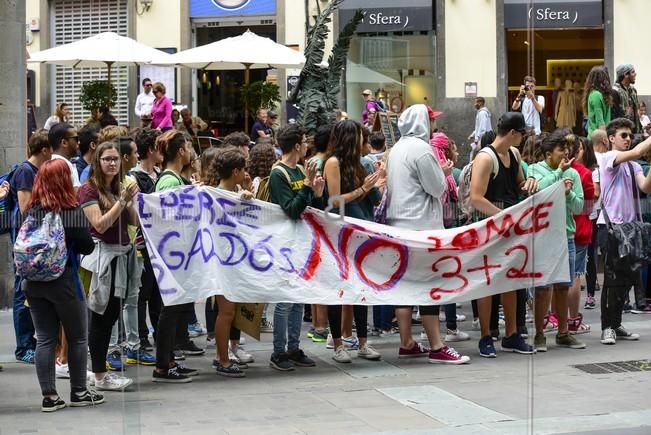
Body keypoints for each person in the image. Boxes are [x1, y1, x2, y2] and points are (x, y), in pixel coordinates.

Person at [386, 104, 470, 364]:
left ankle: (407, 342)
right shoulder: (422, 150)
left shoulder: (397, 149)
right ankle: (436, 345)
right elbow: (435, 188)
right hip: (422, 228)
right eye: (430, 120)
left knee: (406, 286)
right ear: (422, 123)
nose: (433, 125)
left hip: (399, 225)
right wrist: (444, 174)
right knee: (429, 286)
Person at [20, 159, 103, 411]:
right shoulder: (70, 211)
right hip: (64, 280)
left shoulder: (31, 212)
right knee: (78, 337)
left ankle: (50, 397)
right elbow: (88, 246)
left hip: (32, 282)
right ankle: (78, 391)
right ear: (65, 181)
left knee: (44, 338)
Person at [469, 112, 537, 358]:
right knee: (487, 282)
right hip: (490, 224)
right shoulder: (485, 158)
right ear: (512, 133)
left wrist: (528, 181)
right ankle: (486, 336)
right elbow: (476, 198)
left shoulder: (514, 154)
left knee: (510, 279)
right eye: (523, 134)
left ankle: (511, 334)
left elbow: (518, 184)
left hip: (509, 224)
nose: (524, 138)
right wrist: (503, 216)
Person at [79, 141, 141, 391]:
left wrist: (131, 202)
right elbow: (100, 225)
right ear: (97, 161)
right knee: (101, 317)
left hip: (122, 254)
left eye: (116, 159)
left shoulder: (118, 187)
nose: (113, 163)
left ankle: (100, 373)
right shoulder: (88, 190)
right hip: (103, 258)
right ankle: (100, 375)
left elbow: (134, 221)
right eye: (107, 159)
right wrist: (122, 201)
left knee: (113, 314)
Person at [323, 120, 383, 363]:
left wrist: (375, 182)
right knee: (340, 290)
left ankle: (362, 342)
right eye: (360, 136)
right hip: (341, 232)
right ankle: (338, 342)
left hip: (363, 230)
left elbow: (375, 199)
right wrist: (362, 189)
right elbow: (334, 201)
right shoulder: (333, 163)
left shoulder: (360, 163)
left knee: (362, 289)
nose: (364, 141)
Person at [268, 124, 324, 371]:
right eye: (303, 142)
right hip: (284, 243)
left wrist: (317, 192)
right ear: (297, 146)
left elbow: (311, 205)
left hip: (302, 240)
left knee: (298, 297)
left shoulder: (300, 169)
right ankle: (278, 351)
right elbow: (290, 208)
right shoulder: (278, 174)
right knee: (284, 301)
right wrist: (307, 187)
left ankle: (294, 346)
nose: (306, 146)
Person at [528, 130, 587, 351]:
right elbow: (538, 194)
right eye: (561, 149)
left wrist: (569, 194)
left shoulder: (574, 173)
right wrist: (558, 176)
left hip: (567, 236)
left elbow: (579, 207)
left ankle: (563, 333)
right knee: (542, 288)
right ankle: (540, 334)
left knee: (563, 286)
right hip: (542, 237)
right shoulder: (534, 169)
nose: (566, 153)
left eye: (567, 149)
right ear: (547, 152)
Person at [597, 118, 651, 344]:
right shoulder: (610, 158)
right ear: (611, 138)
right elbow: (638, 151)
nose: (628, 139)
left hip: (629, 228)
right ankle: (607, 327)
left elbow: (645, 187)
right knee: (611, 279)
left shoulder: (634, 165)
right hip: (611, 226)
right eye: (623, 135)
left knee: (628, 278)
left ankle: (616, 323)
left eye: (630, 135)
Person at [151, 130, 199, 382]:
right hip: (173, 257)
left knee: (173, 311)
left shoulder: (175, 179)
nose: (191, 152)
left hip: (178, 255)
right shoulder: (169, 182)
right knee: (169, 312)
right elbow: (169, 220)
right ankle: (162, 366)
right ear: (180, 151)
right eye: (188, 147)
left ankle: (168, 361)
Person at [204, 148, 256, 377]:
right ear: (235, 171)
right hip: (221, 262)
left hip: (235, 260)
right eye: (243, 169)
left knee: (230, 311)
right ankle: (222, 359)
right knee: (225, 312)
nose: (246, 173)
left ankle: (224, 355)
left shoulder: (235, 191)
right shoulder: (215, 195)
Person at [8, 130, 53, 364]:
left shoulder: (37, 171)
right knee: (20, 291)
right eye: (51, 149)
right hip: (25, 243)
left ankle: (30, 341)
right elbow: (26, 207)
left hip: (34, 240)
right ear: (44, 149)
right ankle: (23, 346)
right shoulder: (26, 171)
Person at [130, 128, 163, 350]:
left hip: (160, 244)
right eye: (160, 147)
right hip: (143, 244)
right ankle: (141, 338)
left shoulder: (159, 174)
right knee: (143, 293)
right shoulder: (135, 177)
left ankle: (159, 337)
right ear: (151, 149)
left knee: (157, 294)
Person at [569, 135, 597, 333]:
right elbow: (588, 205)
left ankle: (555, 317)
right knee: (575, 275)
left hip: (558, 229)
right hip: (578, 229)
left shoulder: (554, 171)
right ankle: (572, 319)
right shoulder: (584, 173)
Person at [585, 129, 609, 309]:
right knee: (595, 253)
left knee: (589, 253)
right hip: (598, 212)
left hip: (594, 213)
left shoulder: (594, 163)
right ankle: (592, 291)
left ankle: (591, 291)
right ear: (604, 140)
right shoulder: (603, 160)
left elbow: (596, 191)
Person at [49, 123, 82, 192]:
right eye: (76, 139)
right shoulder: (64, 165)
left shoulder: (48, 163)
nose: (78, 142)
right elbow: (76, 195)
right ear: (64, 142)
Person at [583, 65, 612, 137]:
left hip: (599, 136)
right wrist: (605, 140)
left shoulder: (599, 94)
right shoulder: (596, 95)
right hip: (597, 139)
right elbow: (600, 122)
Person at [612, 64, 641, 134]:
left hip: (635, 131)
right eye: (633, 72)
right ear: (626, 74)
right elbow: (614, 116)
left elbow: (636, 111)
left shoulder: (633, 90)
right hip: (623, 132)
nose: (635, 74)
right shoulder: (615, 91)